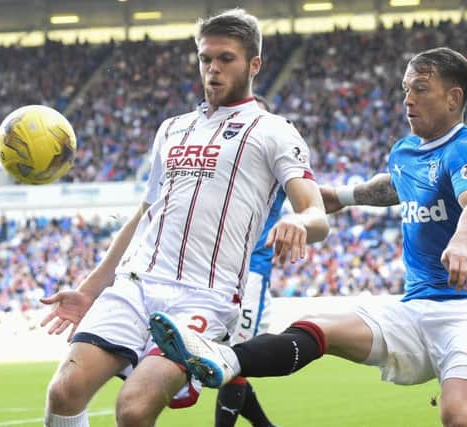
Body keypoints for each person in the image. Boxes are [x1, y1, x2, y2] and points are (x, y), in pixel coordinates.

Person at [149, 47, 467, 427]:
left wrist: (460, 243)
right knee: (320, 326)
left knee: (457, 415)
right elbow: (396, 186)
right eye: (405, 89)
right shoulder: (405, 151)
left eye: (420, 89)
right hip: (415, 307)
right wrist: (342, 197)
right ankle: (226, 359)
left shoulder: (466, 149)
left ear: (454, 98)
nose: (408, 99)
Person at [40, 8, 329, 427]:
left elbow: (316, 212)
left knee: (134, 410)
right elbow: (145, 214)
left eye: (225, 58)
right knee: (64, 391)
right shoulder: (172, 129)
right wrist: (89, 290)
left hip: (203, 297)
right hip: (137, 285)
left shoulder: (274, 132)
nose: (212, 69)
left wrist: (299, 223)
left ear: (254, 65)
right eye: (205, 58)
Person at [214, 93, 279, 427]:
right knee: (222, 356)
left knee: (234, 357)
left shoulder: (279, 160)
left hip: (251, 272)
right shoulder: (229, 163)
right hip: (217, 271)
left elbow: (316, 197)